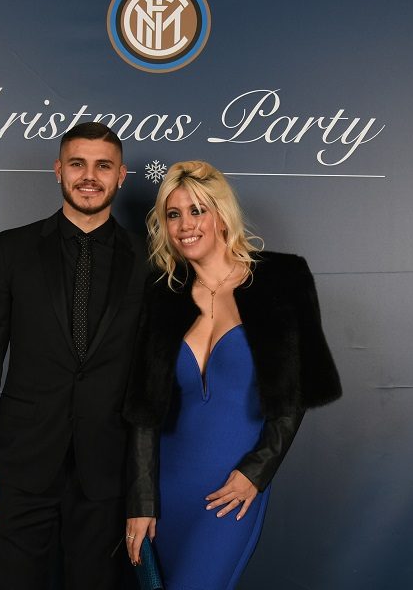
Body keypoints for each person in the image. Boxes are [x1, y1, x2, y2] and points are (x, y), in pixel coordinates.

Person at [124, 161, 342, 589]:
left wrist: (256, 472)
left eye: (198, 210)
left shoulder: (282, 278)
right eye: (173, 214)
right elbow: (144, 415)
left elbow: (297, 392)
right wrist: (141, 502)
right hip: (168, 491)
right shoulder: (161, 295)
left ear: (222, 215)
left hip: (231, 489)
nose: (185, 225)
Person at [0, 122, 147, 590]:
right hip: (19, 466)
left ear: (121, 175)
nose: (90, 176)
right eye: (78, 164)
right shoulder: (11, 248)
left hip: (107, 471)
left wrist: (143, 491)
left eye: (103, 166)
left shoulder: (148, 259)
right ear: (58, 170)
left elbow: (153, 378)